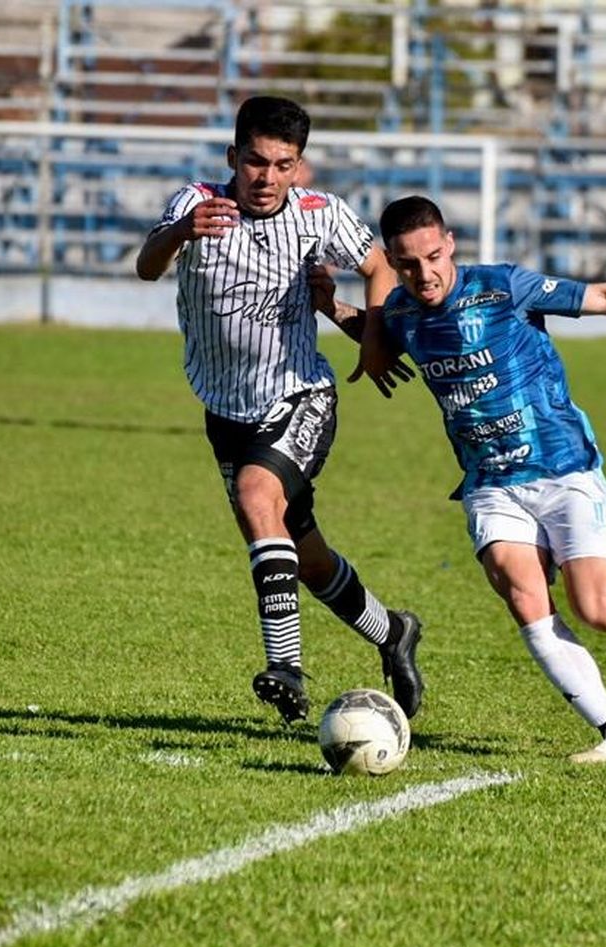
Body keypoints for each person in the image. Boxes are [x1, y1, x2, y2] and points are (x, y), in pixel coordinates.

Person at [327, 195, 606, 763]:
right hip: (489, 482)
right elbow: (379, 340)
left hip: (562, 467)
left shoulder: (503, 286)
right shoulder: (402, 314)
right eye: (407, 264)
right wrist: (330, 306)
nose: (424, 274)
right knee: (521, 590)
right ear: (393, 262)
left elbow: (604, 297)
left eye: (433, 256)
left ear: (449, 242)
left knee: (599, 611)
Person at [134, 96, 424, 724]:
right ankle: (393, 631)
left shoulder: (321, 215)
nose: (266, 178)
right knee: (302, 551)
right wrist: (181, 233)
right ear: (232, 157)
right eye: (256, 162)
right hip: (226, 412)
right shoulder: (194, 203)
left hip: (299, 395)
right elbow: (146, 265)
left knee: (256, 497)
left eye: (282, 164)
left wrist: (372, 339)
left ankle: (285, 666)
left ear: (299, 166)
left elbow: (378, 267)